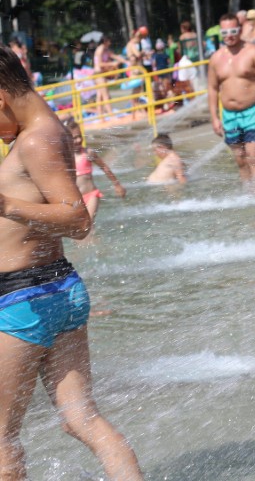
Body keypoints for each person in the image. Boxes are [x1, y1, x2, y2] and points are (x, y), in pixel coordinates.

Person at [0, 46, 144, 479]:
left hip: (24, 298)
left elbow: (77, 219)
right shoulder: (46, 131)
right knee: (80, 419)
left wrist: (5, 203)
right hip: (56, 288)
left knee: (1, 438)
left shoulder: (36, 138)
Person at [207, 12, 255, 195]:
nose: (229, 35)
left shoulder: (254, 53)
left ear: (240, 29)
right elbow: (213, 89)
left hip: (254, 111)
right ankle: (247, 195)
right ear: (220, 33)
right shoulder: (215, 58)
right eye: (225, 31)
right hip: (229, 116)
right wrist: (214, 118)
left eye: (233, 30)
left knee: (254, 157)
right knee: (240, 159)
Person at [61, 118, 126, 227]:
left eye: (79, 136)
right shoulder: (66, 158)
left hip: (91, 195)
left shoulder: (88, 153)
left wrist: (117, 184)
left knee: (88, 224)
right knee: (78, 228)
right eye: (74, 138)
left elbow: (104, 167)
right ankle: (91, 242)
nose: (78, 140)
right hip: (76, 199)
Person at [92, 36, 125, 119]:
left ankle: (100, 117)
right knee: (105, 95)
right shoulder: (100, 50)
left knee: (100, 96)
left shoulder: (106, 50)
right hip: (98, 74)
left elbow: (114, 56)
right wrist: (112, 64)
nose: (110, 43)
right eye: (109, 41)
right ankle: (111, 115)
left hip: (100, 74)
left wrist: (125, 60)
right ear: (105, 41)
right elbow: (99, 64)